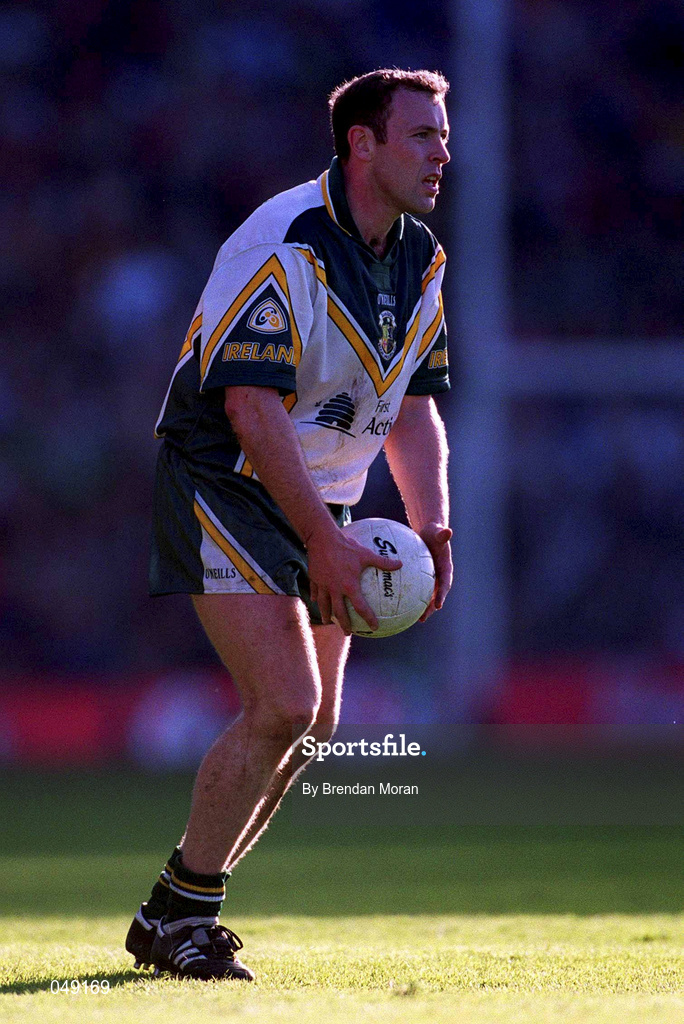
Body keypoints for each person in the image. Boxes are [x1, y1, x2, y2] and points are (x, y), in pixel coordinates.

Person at [126, 67, 453, 982]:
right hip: (225, 478)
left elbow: (418, 407)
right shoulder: (286, 240)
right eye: (421, 135)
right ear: (363, 144)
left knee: (315, 728)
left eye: (443, 134)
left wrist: (434, 526)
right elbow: (249, 410)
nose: (442, 152)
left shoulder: (419, 255)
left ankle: (172, 913)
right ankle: (183, 916)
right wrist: (321, 538)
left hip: (322, 495)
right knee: (287, 704)